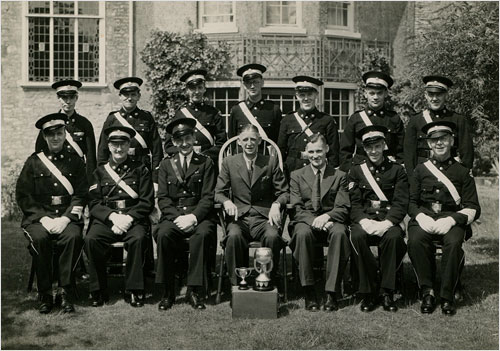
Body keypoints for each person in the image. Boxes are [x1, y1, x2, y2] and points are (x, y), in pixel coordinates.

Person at [16, 113, 88, 314]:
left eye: (59, 133)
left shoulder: (76, 162)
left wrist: (66, 218)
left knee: (73, 236)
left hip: (67, 216)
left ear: (65, 134)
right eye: (51, 135)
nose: (55, 138)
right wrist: (43, 218)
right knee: (39, 239)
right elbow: (23, 195)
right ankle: (45, 293)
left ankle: (64, 291)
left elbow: (81, 194)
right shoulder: (34, 162)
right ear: (45, 137)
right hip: (39, 219)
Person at [407, 120, 480, 316]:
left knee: (454, 242)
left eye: (443, 139)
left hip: (451, 218)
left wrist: (452, 220)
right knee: (415, 240)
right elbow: (411, 202)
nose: (439, 143)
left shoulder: (463, 172)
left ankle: (447, 295)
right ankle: (427, 291)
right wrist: (421, 217)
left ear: (451, 140)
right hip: (425, 217)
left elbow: (473, 207)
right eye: (434, 140)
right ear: (429, 144)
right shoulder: (420, 170)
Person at [85, 125, 154, 308]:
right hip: (108, 220)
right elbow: (93, 203)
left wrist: (128, 218)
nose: (118, 148)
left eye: (123, 144)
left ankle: (134, 290)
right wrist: (113, 218)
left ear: (129, 144)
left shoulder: (140, 169)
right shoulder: (99, 172)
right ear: (108, 146)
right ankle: (98, 290)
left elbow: (147, 201)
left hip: (133, 218)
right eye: (114, 144)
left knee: (138, 238)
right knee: (92, 239)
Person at [215, 124, 289, 287]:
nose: (249, 143)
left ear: (259, 141)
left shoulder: (270, 161)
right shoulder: (229, 162)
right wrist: (226, 201)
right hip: (239, 218)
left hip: (263, 218)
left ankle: (267, 282)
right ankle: (237, 284)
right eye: (245, 139)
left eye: (253, 140)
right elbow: (218, 192)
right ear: (239, 142)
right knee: (233, 237)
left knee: (272, 236)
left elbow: (284, 192)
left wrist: (277, 204)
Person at [155, 118, 216, 311]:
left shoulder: (205, 163)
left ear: (194, 138)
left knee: (203, 234)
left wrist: (194, 217)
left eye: (188, 138)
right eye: (179, 140)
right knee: (163, 234)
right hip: (174, 216)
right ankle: (168, 292)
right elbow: (163, 198)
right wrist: (176, 218)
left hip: (199, 216)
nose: (184, 144)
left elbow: (208, 197)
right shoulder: (166, 165)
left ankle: (194, 290)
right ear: (173, 142)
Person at [348, 125, 408, 313]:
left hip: (388, 219)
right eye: (369, 147)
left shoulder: (397, 171)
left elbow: (400, 202)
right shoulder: (356, 171)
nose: (373, 151)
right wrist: (364, 222)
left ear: (384, 146)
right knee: (356, 236)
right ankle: (368, 291)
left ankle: (386, 291)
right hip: (364, 220)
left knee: (393, 237)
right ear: (364, 149)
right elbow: (354, 203)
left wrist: (387, 223)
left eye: (377, 146)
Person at [289, 133, 350, 312]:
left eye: (319, 151)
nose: (315, 156)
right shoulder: (297, 175)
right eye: (311, 152)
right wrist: (315, 220)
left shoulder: (339, 176)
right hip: (305, 220)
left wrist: (327, 217)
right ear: (306, 153)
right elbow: (297, 208)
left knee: (340, 234)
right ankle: (309, 291)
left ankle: (331, 292)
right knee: (302, 234)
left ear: (327, 150)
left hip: (332, 220)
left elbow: (343, 207)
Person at [97, 77, 163, 187]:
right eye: (126, 95)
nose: (129, 98)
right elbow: (102, 150)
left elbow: (157, 150)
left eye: (133, 94)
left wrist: (155, 178)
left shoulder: (146, 118)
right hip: (117, 168)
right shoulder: (112, 119)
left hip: (142, 168)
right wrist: (102, 174)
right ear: (120, 96)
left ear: (138, 96)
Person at [403, 75, 474, 176]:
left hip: (450, 171)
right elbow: (409, 155)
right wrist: (412, 179)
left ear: (446, 95)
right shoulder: (416, 120)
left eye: (439, 94)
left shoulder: (458, 119)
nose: (434, 98)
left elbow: (466, 152)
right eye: (431, 94)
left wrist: (464, 175)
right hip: (424, 171)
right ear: (425, 95)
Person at [339, 71, 404, 172]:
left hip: (388, 172)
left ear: (386, 94)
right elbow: (345, 151)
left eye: (379, 93)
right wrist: (351, 172)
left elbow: (401, 151)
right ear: (365, 94)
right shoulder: (356, 119)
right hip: (362, 172)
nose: (375, 97)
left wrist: (397, 171)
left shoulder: (394, 119)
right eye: (372, 93)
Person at [35, 80, 97, 183]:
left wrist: (91, 183)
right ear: (58, 98)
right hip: (56, 175)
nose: (68, 101)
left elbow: (90, 157)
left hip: (79, 176)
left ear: (76, 98)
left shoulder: (84, 124)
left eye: (71, 97)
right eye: (64, 97)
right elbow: (40, 153)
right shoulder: (49, 123)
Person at [278, 76, 340, 175]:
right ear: (297, 96)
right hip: (292, 171)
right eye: (302, 95)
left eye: (310, 94)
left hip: (319, 171)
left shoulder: (326, 121)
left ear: (316, 95)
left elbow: (333, 153)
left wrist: (331, 178)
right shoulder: (287, 120)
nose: (306, 98)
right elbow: (280, 151)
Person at [164, 69, 225, 166]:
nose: (197, 92)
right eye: (193, 88)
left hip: (208, 163)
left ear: (204, 89)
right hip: (185, 164)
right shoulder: (179, 114)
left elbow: (221, 143)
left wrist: (204, 156)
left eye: (200, 87)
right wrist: (187, 153)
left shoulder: (213, 113)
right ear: (187, 90)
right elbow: (169, 146)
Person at [228, 64, 282, 144]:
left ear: (262, 83)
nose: (252, 86)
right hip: (243, 156)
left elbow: (279, 140)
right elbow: (232, 140)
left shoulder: (273, 109)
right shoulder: (237, 110)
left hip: (266, 156)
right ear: (244, 85)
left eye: (256, 82)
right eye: (248, 83)